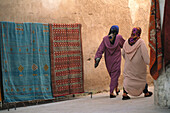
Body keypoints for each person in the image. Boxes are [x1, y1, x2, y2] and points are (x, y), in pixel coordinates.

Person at [122, 27, 153, 100]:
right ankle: (146, 92)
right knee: (141, 79)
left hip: (128, 65)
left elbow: (123, 53)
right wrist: (149, 63)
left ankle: (124, 93)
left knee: (128, 78)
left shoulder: (126, 42)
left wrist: (128, 60)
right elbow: (145, 55)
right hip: (139, 66)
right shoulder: (141, 42)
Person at [95, 25, 125, 98]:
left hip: (108, 60)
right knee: (115, 74)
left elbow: (100, 49)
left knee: (113, 75)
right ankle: (111, 92)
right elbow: (124, 45)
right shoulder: (119, 37)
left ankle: (116, 88)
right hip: (116, 59)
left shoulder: (105, 39)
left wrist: (97, 57)